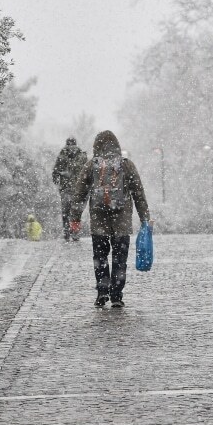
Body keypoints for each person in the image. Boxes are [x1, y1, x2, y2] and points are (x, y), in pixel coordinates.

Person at [69, 130, 150, 308]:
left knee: (100, 257)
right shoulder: (126, 165)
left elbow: (80, 194)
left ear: (96, 146)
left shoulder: (91, 166)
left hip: (99, 222)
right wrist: (145, 218)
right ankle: (117, 295)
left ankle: (102, 293)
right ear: (117, 146)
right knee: (119, 259)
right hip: (122, 222)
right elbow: (139, 194)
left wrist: (75, 218)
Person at [52, 137, 89, 241]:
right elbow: (87, 171)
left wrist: (57, 177)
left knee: (66, 212)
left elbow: (55, 171)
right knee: (75, 212)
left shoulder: (62, 155)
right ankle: (74, 232)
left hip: (66, 188)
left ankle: (67, 232)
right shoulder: (81, 156)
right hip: (77, 188)